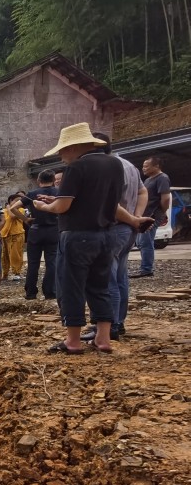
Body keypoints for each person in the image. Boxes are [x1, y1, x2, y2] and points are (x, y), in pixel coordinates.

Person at [32, 123, 137, 354]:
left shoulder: (77, 168)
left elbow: (63, 206)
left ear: (75, 146)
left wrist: (43, 206)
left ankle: (73, 341)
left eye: (63, 149)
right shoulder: (114, 165)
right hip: (107, 235)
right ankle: (103, 338)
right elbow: (106, 202)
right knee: (100, 286)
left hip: (78, 236)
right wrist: (134, 220)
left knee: (72, 286)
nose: (61, 154)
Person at [80, 133, 150, 342]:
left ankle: (109, 326)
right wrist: (136, 217)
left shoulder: (106, 167)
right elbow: (142, 191)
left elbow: (110, 203)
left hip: (114, 226)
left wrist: (130, 218)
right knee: (119, 277)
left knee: (105, 278)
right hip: (128, 228)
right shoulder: (129, 165)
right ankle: (118, 321)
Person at [11, 170, 60, 300]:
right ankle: (50, 291)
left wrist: (25, 219)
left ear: (39, 181)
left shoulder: (32, 194)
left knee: (33, 263)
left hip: (36, 230)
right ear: (54, 180)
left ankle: (31, 292)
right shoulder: (58, 193)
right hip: (54, 230)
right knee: (52, 262)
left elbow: (13, 208)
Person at [132, 156, 171, 278]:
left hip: (153, 214)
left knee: (145, 242)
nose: (144, 168)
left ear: (156, 166)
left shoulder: (162, 178)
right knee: (140, 242)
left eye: (147, 166)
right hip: (146, 214)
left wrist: (160, 212)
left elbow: (166, 198)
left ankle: (146, 269)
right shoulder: (149, 180)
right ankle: (145, 268)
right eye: (143, 166)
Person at [0, 194, 26, 281]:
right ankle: (5, 273)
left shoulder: (21, 210)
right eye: (16, 200)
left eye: (20, 201)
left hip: (17, 234)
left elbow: (13, 216)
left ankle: (17, 272)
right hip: (5, 235)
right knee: (5, 255)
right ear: (10, 201)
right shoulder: (3, 211)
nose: (19, 202)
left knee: (15, 254)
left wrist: (8, 207)